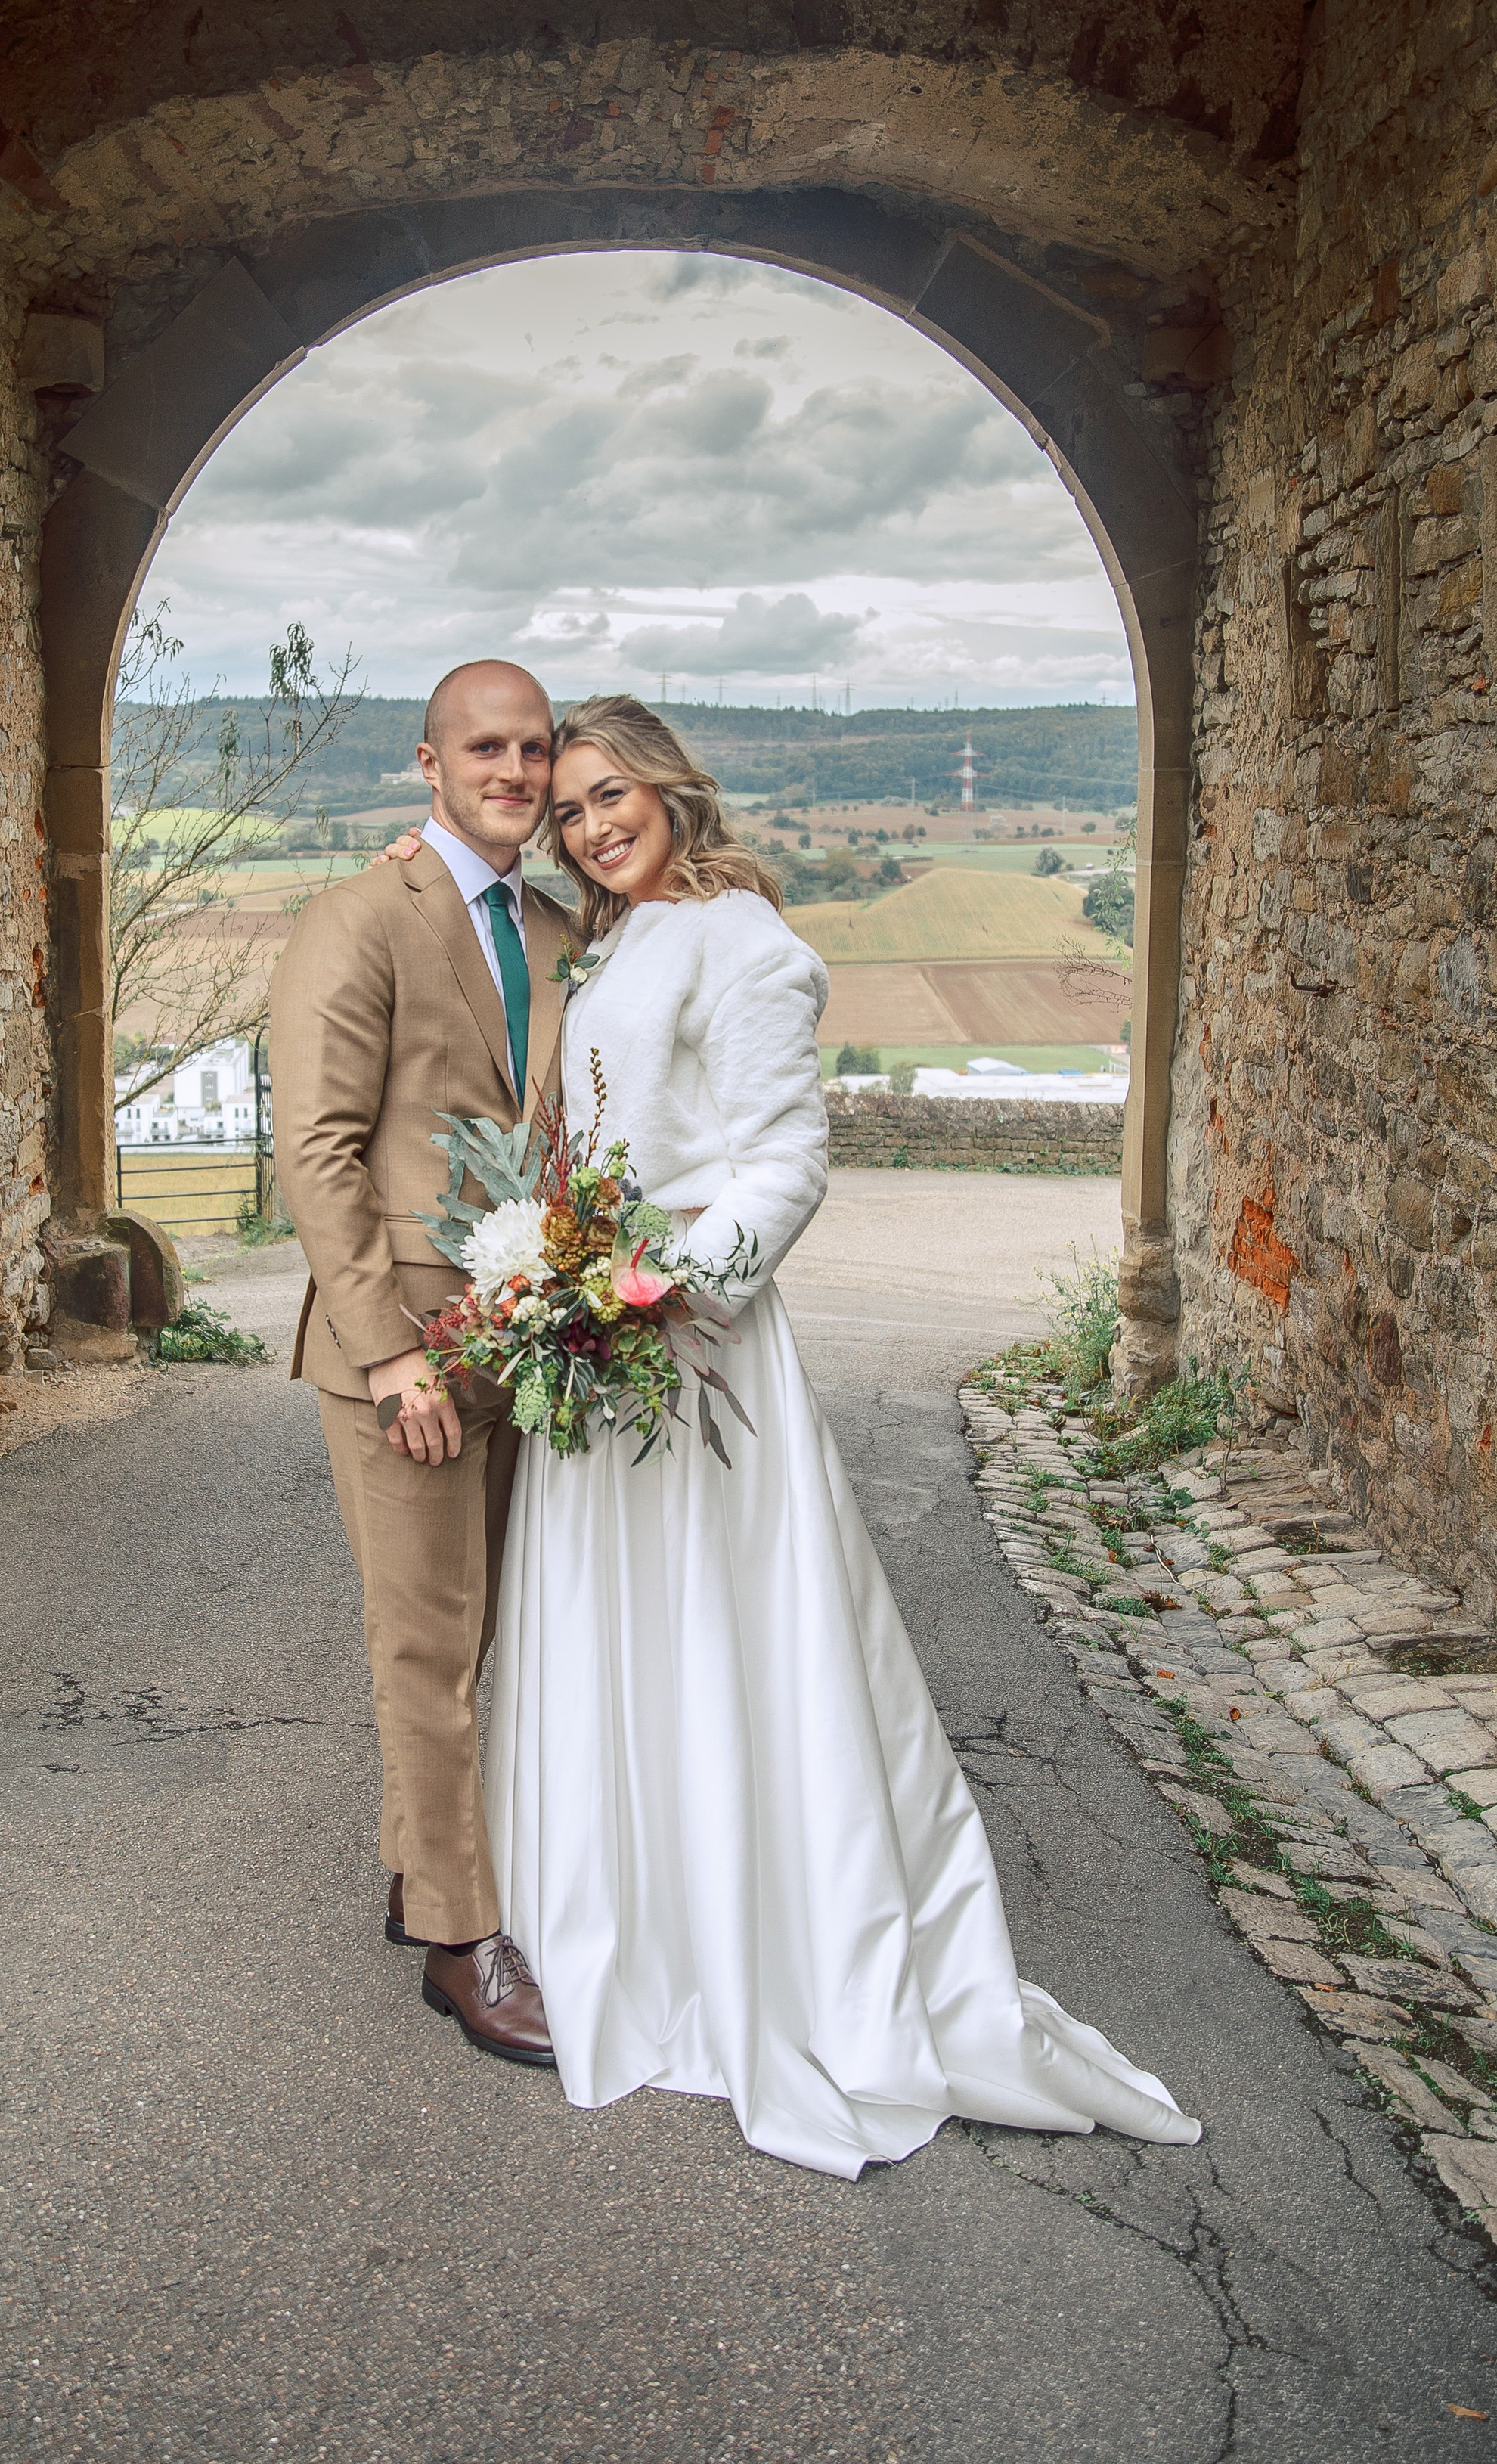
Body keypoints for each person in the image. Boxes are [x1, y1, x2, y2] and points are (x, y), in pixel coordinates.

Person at [481, 694, 1201, 2178]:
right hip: (598, 1327)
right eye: (568, 808)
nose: (592, 822)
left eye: (614, 792)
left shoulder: (746, 942)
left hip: (687, 1339)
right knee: (607, 1629)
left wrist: (661, 1279)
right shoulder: (610, 939)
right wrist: (560, 1264)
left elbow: (785, 1162)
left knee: (718, 1641)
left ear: (674, 787)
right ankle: (609, 1917)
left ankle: (750, 1942)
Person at [268, 659, 571, 2065]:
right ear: (430, 763)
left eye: (534, 747)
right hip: (404, 1355)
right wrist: (390, 1353)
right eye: (486, 747)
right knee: (427, 1642)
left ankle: (416, 1870)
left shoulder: (564, 930)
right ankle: (462, 1938)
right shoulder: (359, 917)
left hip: (531, 1343)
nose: (512, 768)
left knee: (490, 1628)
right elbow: (318, 1150)